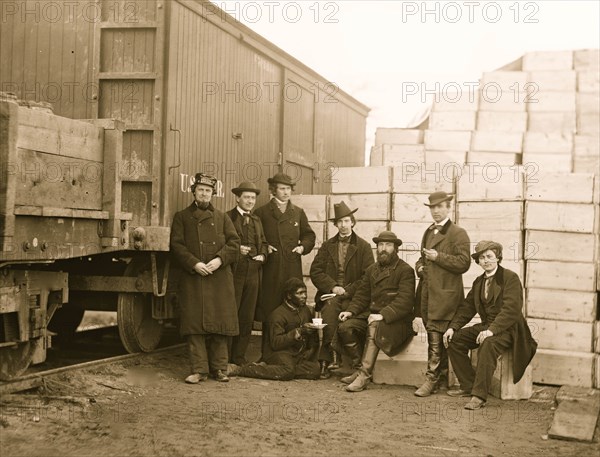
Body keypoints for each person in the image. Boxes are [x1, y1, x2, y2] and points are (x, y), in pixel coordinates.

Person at [443, 241, 538, 410]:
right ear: (478, 262)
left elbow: (511, 309)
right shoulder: (479, 282)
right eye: (481, 258)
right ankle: (469, 385)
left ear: (498, 258)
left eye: (489, 256)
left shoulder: (510, 278)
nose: (486, 261)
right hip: (487, 326)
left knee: (487, 344)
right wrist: (453, 328)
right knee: (454, 340)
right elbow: (467, 308)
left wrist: (491, 331)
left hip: (509, 329)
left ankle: (479, 396)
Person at [170, 173, 240, 384]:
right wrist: (194, 264)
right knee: (194, 326)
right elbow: (177, 245)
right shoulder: (181, 217)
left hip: (218, 277)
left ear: (213, 193)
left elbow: (234, 244)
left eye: (208, 190)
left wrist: (219, 260)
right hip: (194, 277)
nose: (204, 193)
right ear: (193, 192)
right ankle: (199, 370)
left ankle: (219, 369)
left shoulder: (222, 217)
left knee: (220, 324)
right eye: (200, 190)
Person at [338, 231, 416, 392]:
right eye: (380, 245)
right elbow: (362, 295)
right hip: (373, 316)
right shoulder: (372, 269)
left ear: (396, 249)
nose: (383, 249)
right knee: (345, 327)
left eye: (388, 245)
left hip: (397, 322)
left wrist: (383, 315)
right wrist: (351, 311)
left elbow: (405, 301)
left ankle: (364, 376)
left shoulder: (405, 270)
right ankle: (359, 368)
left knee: (374, 325)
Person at [414, 191, 471, 397]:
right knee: (434, 336)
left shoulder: (458, 233)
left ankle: (432, 379)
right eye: (432, 208)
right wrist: (419, 267)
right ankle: (443, 379)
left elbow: (464, 263)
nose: (436, 211)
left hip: (447, 295)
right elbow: (421, 258)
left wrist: (438, 257)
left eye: (440, 207)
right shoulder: (429, 232)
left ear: (449, 208)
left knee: (440, 339)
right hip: (430, 293)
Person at [309, 201, 374, 379]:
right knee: (329, 311)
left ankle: (337, 359)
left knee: (340, 315)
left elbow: (367, 276)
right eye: (340, 222)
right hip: (331, 294)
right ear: (335, 225)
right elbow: (315, 271)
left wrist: (347, 290)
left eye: (346, 221)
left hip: (354, 296)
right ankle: (328, 359)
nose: (343, 225)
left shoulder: (364, 247)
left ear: (353, 222)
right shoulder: (327, 246)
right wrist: (333, 286)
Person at [254, 172, 316, 356]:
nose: (286, 192)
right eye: (282, 188)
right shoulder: (262, 212)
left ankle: (295, 353)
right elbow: (255, 238)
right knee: (270, 311)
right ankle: (266, 354)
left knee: (294, 307)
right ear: (273, 190)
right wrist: (264, 247)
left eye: (288, 189)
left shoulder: (297, 212)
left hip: (291, 268)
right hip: (271, 269)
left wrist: (302, 247)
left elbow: (309, 235)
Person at [227, 278, 320, 381]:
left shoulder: (305, 311)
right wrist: (298, 331)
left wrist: (310, 349)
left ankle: (272, 369)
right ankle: (242, 370)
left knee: (315, 370)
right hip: (277, 353)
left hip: (296, 354)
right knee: (287, 370)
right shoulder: (277, 315)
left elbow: (312, 338)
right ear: (289, 296)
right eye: (299, 293)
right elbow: (276, 344)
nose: (304, 296)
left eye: (305, 292)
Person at [226, 181, 269, 366]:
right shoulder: (227, 217)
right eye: (246, 197)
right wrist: (237, 251)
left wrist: (263, 256)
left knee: (247, 316)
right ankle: (224, 358)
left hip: (253, 273)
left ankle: (239, 357)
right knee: (230, 314)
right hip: (234, 273)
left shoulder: (257, 220)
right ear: (238, 198)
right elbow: (222, 245)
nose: (250, 201)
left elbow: (265, 243)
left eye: (253, 198)